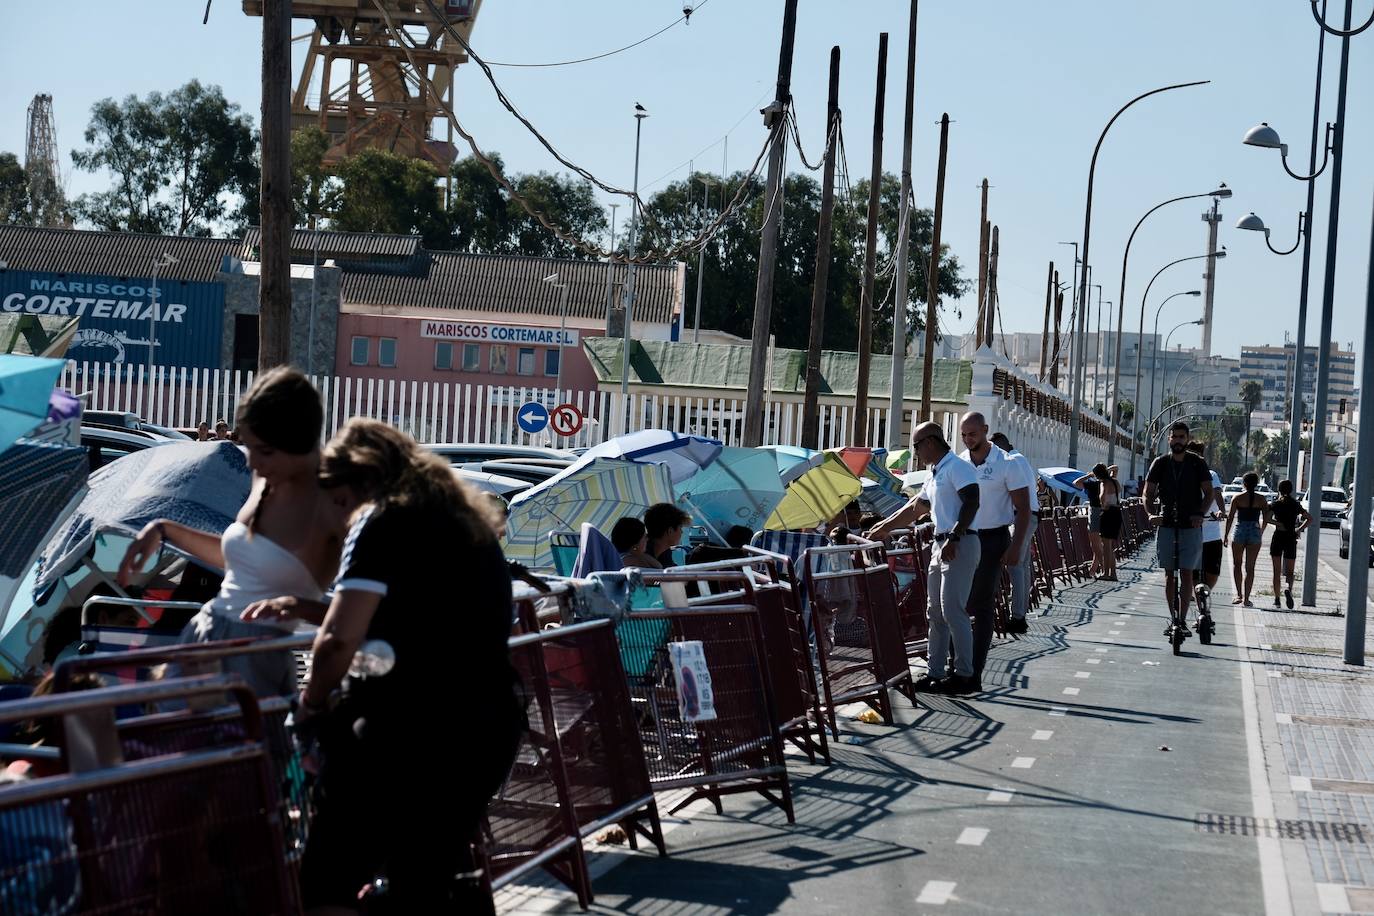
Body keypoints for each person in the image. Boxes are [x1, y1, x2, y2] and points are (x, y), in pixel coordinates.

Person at [291, 418, 520, 912]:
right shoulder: (467, 523)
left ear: (362, 481)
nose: (341, 514)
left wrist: (311, 703)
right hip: (486, 724)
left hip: (407, 727)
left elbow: (339, 639)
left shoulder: (382, 520)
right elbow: (421, 617)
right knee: (425, 876)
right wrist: (310, 609)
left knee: (328, 878)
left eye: (340, 499)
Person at [117, 367, 342, 698]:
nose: (252, 463)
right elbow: (240, 561)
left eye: (264, 450)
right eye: (249, 447)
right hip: (206, 633)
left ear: (298, 440)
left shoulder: (331, 502)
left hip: (254, 656)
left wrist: (298, 607)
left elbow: (358, 614)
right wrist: (164, 530)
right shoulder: (265, 477)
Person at [870, 420, 981, 694]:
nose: (916, 451)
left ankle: (965, 675)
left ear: (930, 442)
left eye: (917, 445)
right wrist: (883, 527)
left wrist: (955, 536)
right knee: (935, 613)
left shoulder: (957, 467)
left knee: (953, 611)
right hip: (940, 544)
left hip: (959, 543)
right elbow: (915, 508)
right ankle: (935, 672)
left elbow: (972, 501)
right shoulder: (936, 472)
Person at [957, 413, 1030, 680]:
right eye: (964, 435)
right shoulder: (960, 462)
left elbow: (1024, 509)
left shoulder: (1007, 463)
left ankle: (974, 670)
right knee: (956, 602)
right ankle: (958, 664)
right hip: (964, 538)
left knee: (981, 602)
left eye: (972, 434)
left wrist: (1016, 546)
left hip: (993, 539)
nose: (968, 439)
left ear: (985, 430)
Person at [1143, 421, 1214, 635]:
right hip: (1166, 524)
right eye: (1174, 437)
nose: (1178, 441)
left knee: (1186, 574)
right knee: (1169, 574)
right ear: (1169, 439)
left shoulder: (1197, 463)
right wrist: (1151, 514)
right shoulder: (1160, 463)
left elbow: (1209, 493)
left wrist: (1200, 514)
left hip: (1190, 526)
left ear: (1187, 439)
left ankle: (1182, 620)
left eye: (1182, 437)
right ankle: (1173, 618)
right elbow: (1147, 493)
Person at [991, 432, 1038, 634]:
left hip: (1022, 516)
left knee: (1014, 565)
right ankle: (1020, 613)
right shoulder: (1020, 459)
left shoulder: (1012, 461)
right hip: (1029, 515)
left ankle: (1018, 616)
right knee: (1022, 566)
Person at [1186, 441, 1226, 609]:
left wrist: (1221, 511)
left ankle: (1204, 593)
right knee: (1193, 572)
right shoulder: (1184, 476)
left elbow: (1216, 494)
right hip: (1191, 531)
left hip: (1211, 532)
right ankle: (1201, 607)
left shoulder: (1211, 474)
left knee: (1213, 573)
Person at [1224, 472, 1267, 608]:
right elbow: (1266, 518)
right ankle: (1247, 599)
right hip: (1254, 529)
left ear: (1244, 483)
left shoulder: (1237, 498)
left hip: (1240, 529)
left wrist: (1226, 535)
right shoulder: (1261, 499)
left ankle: (1239, 595)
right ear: (1257, 483)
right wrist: (1260, 531)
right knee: (1250, 567)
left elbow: (1230, 518)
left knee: (1237, 564)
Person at [1268, 479, 1310, 609]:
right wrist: (1299, 529)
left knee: (1276, 571)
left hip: (1278, 536)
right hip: (1291, 537)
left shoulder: (1276, 504)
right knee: (1290, 572)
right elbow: (1309, 518)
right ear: (1291, 490)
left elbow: (1267, 518)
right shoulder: (1295, 504)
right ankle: (1288, 589)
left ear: (1279, 490)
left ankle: (1277, 599)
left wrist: (1278, 523)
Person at [1072, 468, 1107, 578]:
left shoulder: (1093, 484)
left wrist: (1088, 476)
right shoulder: (1108, 483)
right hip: (1106, 512)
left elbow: (1076, 483)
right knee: (1099, 543)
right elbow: (1115, 469)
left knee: (1095, 544)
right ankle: (1092, 570)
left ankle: (1104, 568)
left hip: (1095, 511)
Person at [1092, 464, 1123, 582]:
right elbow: (1116, 467)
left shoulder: (1104, 483)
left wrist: (1102, 506)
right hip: (1117, 513)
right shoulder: (1115, 481)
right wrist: (1107, 470)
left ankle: (1106, 573)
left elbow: (1103, 499)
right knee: (1110, 546)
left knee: (1106, 546)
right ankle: (1113, 573)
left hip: (1108, 513)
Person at [644, 503, 691, 568]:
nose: (682, 532)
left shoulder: (664, 551)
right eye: (680, 528)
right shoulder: (640, 559)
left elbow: (673, 569)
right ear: (670, 531)